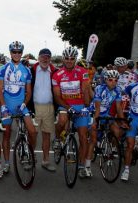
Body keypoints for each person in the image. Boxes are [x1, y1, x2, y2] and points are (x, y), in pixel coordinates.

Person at [0, 41, 37, 174]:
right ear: (10, 53)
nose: (17, 54)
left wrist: (25, 103)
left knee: (32, 131)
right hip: (7, 106)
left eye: (19, 52)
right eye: (14, 52)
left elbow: (29, 92)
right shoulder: (3, 68)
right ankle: (7, 163)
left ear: (22, 53)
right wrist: (3, 106)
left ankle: (31, 154)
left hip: (21, 105)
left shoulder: (26, 70)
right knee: (7, 134)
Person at [52, 46, 90, 178]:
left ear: (75, 59)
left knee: (83, 138)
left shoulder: (83, 71)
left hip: (80, 105)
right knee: (62, 121)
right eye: (66, 58)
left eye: (72, 58)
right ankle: (57, 138)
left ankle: (81, 166)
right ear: (63, 59)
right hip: (65, 105)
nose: (69, 61)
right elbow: (57, 96)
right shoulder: (57, 74)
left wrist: (87, 106)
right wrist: (68, 108)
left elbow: (85, 90)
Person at [86, 70, 128, 176]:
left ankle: (110, 149)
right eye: (110, 80)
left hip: (106, 114)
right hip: (94, 113)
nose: (113, 82)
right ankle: (87, 166)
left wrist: (122, 121)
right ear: (105, 80)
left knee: (117, 131)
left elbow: (118, 108)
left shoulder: (118, 90)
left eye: (115, 80)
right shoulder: (100, 88)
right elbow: (97, 108)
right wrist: (95, 121)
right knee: (93, 140)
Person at [27, 48, 57, 172]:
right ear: (38, 58)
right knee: (32, 134)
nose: (45, 59)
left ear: (50, 59)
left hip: (49, 107)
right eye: (43, 56)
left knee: (47, 135)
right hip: (35, 107)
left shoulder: (55, 72)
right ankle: (31, 159)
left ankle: (45, 161)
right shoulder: (31, 71)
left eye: (47, 57)